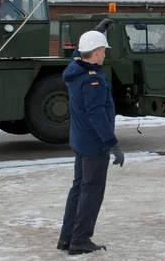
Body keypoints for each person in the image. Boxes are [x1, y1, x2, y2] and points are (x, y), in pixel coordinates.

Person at [57, 20, 123, 255]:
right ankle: (80, 240)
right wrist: (113, 144)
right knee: (91, 192)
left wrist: (97, 31)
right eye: (103, 50)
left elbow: (78, 52)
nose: (105, 54)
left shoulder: (74, 69)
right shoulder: (92, 79)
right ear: (96, 53)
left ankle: (67, 238)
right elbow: (97, 116)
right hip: (94, 146)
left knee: (78, 189)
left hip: (79, 142)